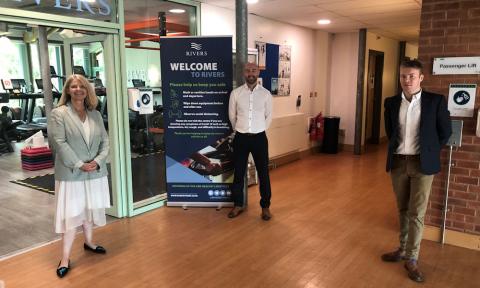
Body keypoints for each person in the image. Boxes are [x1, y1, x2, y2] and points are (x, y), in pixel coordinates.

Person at [382, 59, 452, 283]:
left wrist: (430, 151)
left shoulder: (435, 102)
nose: (407, 80)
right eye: (403, 76)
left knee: (417, 213)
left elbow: (445, 132)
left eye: (412, 76)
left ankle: (412, 257)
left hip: (423, 165)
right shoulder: (391, 103)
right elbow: (391, 132)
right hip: (399, 163)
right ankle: (402, 249)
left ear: (421, 78)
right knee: (402, 208)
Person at [48, 74, 111, 278]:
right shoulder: (59, 113)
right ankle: (65, 258)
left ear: (87, 90)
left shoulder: (95, 115)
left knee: (89, 210)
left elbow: (105, 142)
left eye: (82, 86)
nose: (78, 89)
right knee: (71, 216)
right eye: (73, 86)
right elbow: (59, 142)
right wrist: (79, 164)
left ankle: (90, 243)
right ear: (67, 90)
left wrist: (98, 161)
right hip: (72, 173)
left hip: (94, 171)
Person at [228, 62, 273, 220]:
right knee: (239, 173)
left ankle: (265, 207)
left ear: (258, 73)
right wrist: (241, 129)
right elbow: (232, 117)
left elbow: (269, 117)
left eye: (253, 70)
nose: (250, 73)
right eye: (248, 70)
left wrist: (258, 129)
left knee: (263, 174)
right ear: (244, 73)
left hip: (260, 138)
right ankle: (238, 205)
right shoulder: (236, 93)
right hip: (240, 138)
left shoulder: (266, 94)